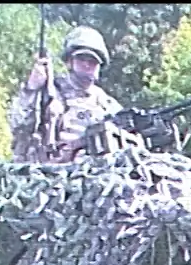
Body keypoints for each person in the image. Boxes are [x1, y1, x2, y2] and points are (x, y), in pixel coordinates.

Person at [8, 26, 129, 164]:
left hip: (95, 173)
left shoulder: (109, 106)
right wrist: (31, 88)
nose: (87, 64)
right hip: (49, 172)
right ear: (69, 61)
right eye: (81, 58)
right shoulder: (50, 93)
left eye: (93, 61)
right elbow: (18, 126)